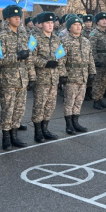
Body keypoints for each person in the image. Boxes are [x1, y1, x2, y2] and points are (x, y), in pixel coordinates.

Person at [0, 5, 36, 150]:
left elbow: (29, 58)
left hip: (22, 78)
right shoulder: (2, 36)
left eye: (19, 16)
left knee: (19, 109)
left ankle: (14, 135)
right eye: (14, 17)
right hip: (8, 78)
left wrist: (32, 77)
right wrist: (17, 56)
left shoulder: (24, 34)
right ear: (7, 19)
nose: (18, 19)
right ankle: (6, 137)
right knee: (8, 108)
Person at [32, 12, 66, 142]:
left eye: (52, 23)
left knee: (50, 105)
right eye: (48, 23)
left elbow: (61, 57)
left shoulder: (56, 39)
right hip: (41, 78)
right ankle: (38, 131)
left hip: (54, 78)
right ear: (41, 24)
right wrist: (45, 63)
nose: (51, 25)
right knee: (39, 105)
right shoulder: (35, 39)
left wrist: (62, 74)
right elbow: (31, 58)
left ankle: (45, 129)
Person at [61, 14, 95, 133]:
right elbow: (61, 60)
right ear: (69, 27)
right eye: (75, 25)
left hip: (83, 76)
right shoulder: (64, 41)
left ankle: (76, 122)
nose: (78, 27)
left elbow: (90, 57)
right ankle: (68, 125)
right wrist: (63, 75)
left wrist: (92, 71)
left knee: (79, 101)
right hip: (71, 76)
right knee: (69, 102)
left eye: (79, 24)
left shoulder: (86, 41)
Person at [89, 12, 106, 110]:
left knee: (104, 81)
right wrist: (95, 60)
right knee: (97, 81)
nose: (104, 21)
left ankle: (100, 98)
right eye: (102, 20)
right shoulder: (94, 33)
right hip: (98, 61)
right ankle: (96, 100)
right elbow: (92, 48)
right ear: (97, 22)